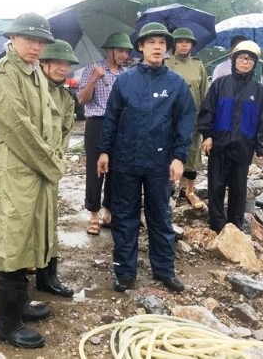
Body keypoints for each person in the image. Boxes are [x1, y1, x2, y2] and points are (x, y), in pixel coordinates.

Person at [0, 12, 63, 349]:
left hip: (37, 169)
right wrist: (52, 164)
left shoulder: (34, 73)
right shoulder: (1, 77)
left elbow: (51, 117)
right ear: (12, 38)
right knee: (13, 238)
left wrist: (52, 156)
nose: (36, 46)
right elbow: (19, 130)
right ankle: (5, 323)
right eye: (30, 39)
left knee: (29, 234)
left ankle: (21, 304)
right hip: (16, 168)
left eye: (41, 41)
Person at [96, 22, 195, 293]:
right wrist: (104, 150)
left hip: (159, 163)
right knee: (125, 218)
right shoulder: (125, 81)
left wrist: (179, 156)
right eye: (151, 42)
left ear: (167, 49)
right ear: (140, 46)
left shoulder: (175, 84)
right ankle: (125, 273)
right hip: (125, 160)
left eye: (162, 43)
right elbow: (112, 117)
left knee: (160, 217)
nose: (156, 47)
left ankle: (164, 271)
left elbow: (185, 120)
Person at [198, 40, 263, 233]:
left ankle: (234, 228)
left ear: (254, 63)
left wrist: (261, 147)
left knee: (238, 190)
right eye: (242, 57)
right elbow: (208, 111)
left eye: (250, 59)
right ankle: (217, 227)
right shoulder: (220, 84)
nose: (245, 62)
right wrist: (207, 135)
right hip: (219, 145)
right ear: (234, 59)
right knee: (216, 187)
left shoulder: (259, 91)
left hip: (243, 147)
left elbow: (262, 120)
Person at [77, 31, 133, 236]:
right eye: (120, 50)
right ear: (109, 50)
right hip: (97, 123)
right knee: (96, 169)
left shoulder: (126, 75)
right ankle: (93, 214)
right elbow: (81, 100)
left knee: (116, 170)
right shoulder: (93, 69)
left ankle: (109, 211)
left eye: (126, 51)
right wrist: (93, 79)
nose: (124, 55)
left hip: (120, 125)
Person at [35, 39, 79, 298]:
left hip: (52, 168)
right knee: (28, 222)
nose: (63, 69)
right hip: (30, 165)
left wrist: (58, 161)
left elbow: (65, 133)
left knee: (50, 221)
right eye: (57, 63)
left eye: (67, 64)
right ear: (44, 63)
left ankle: (48, 275)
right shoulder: (33, 90)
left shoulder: (65, 97)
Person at [165, 27, 209, 209]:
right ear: (174, 44)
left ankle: (189, 191)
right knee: (169, 153)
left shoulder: (198, 65)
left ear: (192, 44)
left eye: (188, 41)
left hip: (193, 118)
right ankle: (169, 191)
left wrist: (206, 123)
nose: (184, 45)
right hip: (170, 118)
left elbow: (205, 93)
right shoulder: (165, 64)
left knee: (192, 155)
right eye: (180, 41)